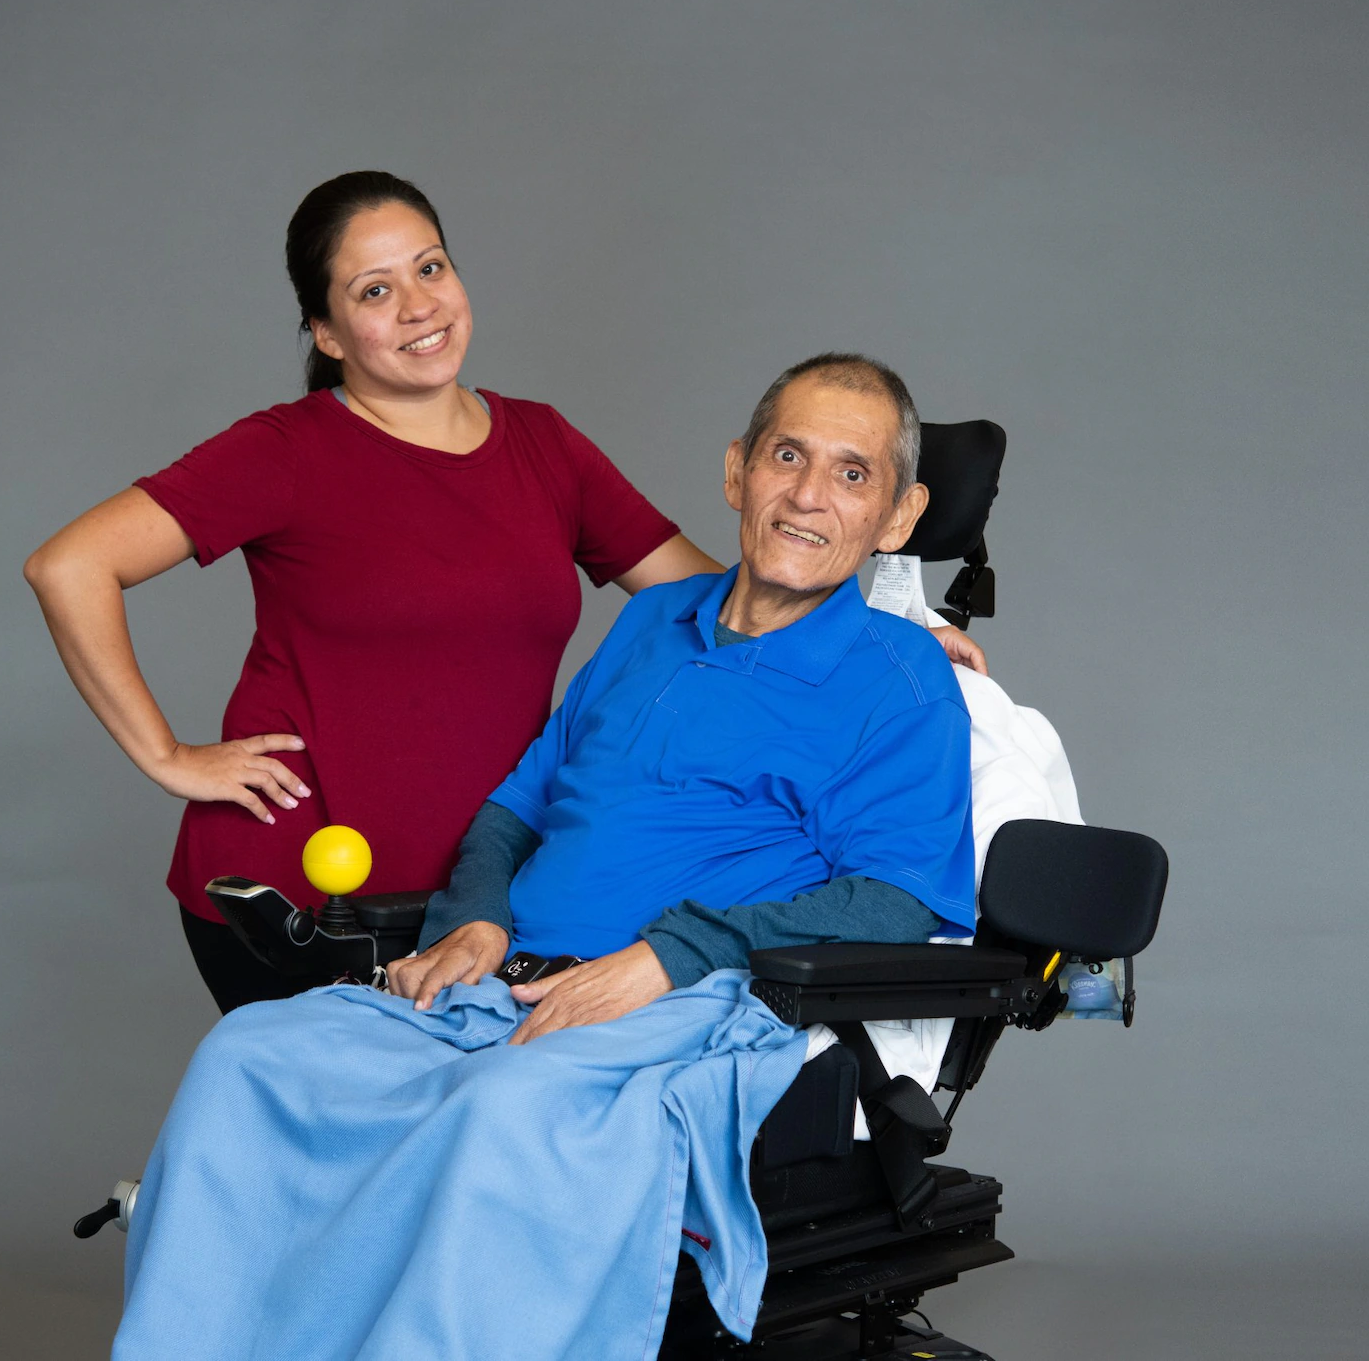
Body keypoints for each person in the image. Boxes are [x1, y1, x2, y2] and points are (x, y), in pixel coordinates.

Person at [114, 355, 979, 1359]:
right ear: (736, 471)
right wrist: (474, 912)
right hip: (502, 977)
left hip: (676, 1003)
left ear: (897, 516)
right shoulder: (654, 619)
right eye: (787, 456)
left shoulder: (899, 678)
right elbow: (517, 803)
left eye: (850, 474)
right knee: (248, 1060)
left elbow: (896, 896)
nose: (806, 496)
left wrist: (671, 954)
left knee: (500, 1113)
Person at [22, 172, 987, 1014]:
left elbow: (727, 596)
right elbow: (70, 565)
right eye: (373, 289)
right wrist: (167, 754)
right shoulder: (286, 452)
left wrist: (892, 631)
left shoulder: (543, 448)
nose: (417, 306)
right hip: (311, 897)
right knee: (343, 1158)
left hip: (482, 904)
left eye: (430, 268)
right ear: (326, 330)